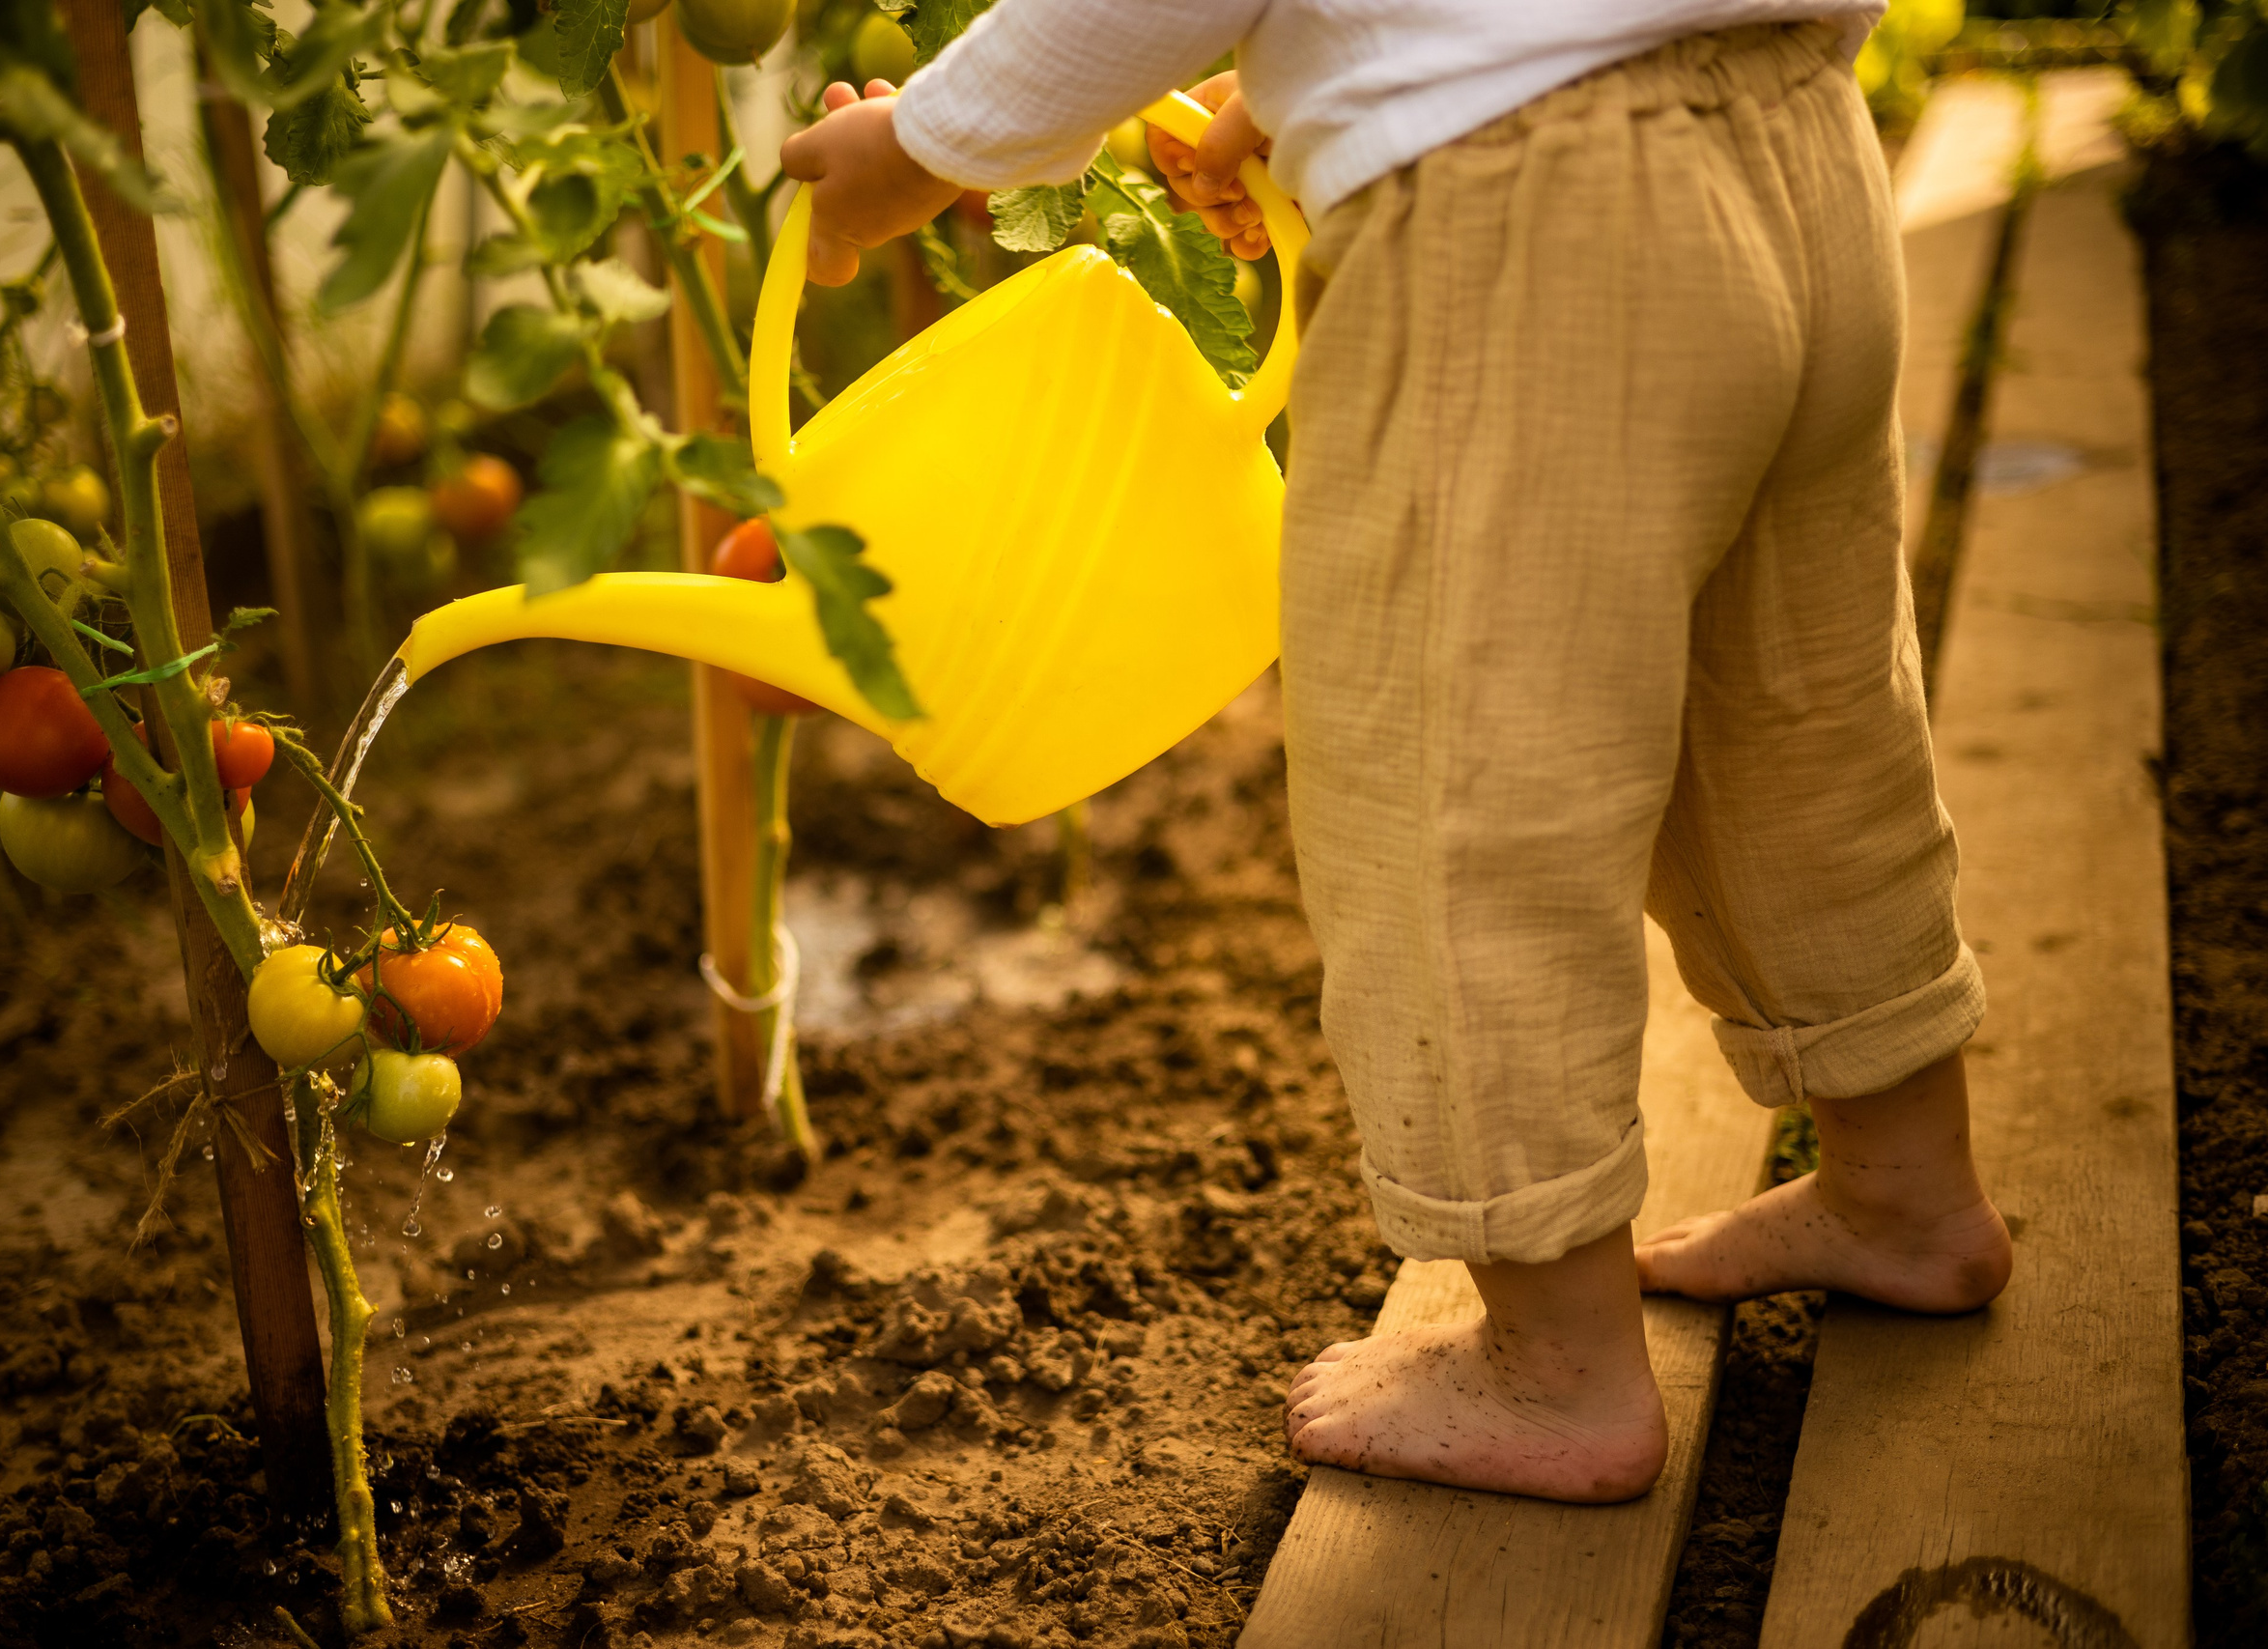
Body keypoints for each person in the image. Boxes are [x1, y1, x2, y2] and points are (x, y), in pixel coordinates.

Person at [780, 0, 2015, 1504]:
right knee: (1797, 723)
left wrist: (919, 147)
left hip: (1531, 230)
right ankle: (1906, 1193)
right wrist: (1346, 80)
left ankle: (1555, 1371)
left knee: (1460, 789)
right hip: (1798, 150)